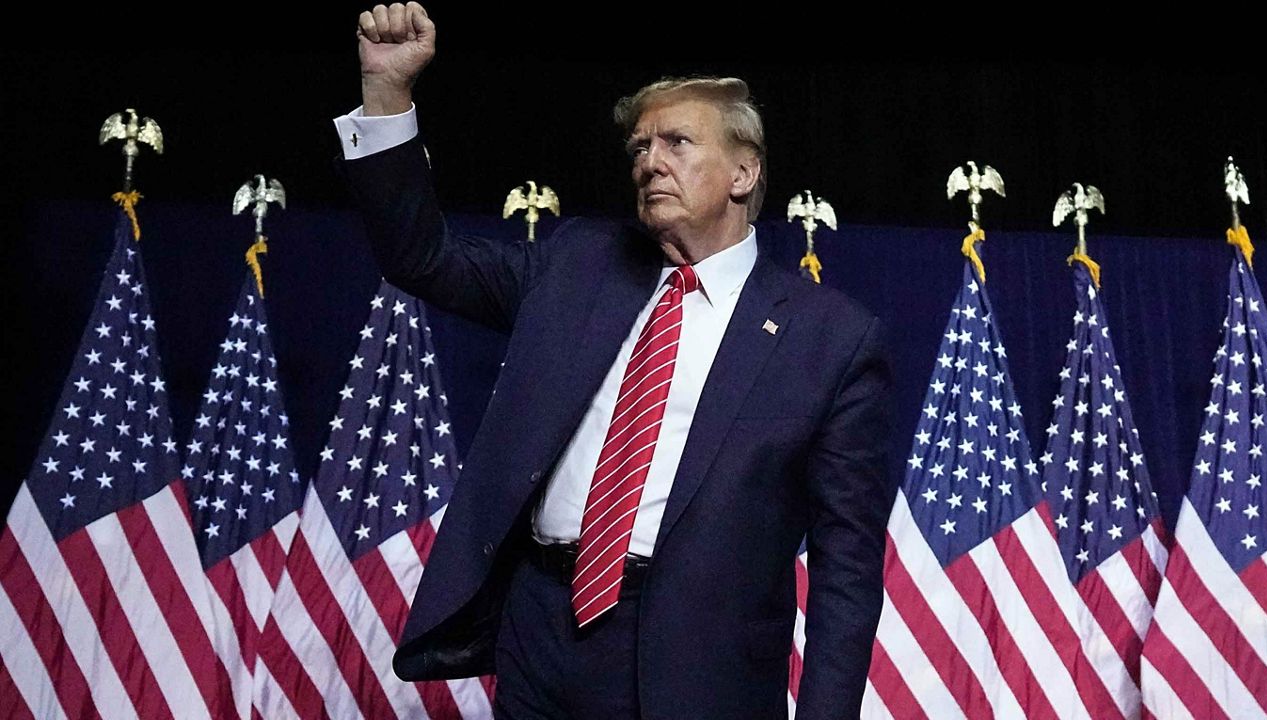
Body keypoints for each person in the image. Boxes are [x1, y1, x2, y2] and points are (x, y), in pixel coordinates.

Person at [333, 4, 894, 718]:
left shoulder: (832, 339)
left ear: (744, 173)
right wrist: (386, 96)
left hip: (697, 659)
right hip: (539, 624)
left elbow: (847, 567)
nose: (650, 161)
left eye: (678, 143)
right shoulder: (576, 266)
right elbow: (424, 258)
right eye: (639, 148)